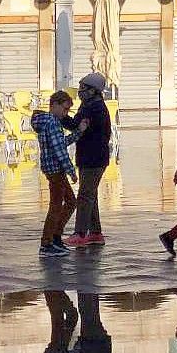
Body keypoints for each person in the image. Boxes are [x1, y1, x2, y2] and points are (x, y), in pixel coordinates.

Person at [32, 91, 88, 258]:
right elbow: (60, 150)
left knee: (70, 201)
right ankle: (47, 242)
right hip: (56, 169)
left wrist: (78, 132)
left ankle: (55, 237)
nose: (66, 114)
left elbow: (60, 143)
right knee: (57, 206)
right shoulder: (52, 123)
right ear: (54, 105)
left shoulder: (46, 122)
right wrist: (71, 171)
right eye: (64, 109)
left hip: (52, 168)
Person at [63, 73, 112, 248]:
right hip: (92, 156)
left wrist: (61, 115)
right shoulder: (92, 105)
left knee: (84, 196)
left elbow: (75, 126)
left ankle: (80, 233)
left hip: (93, 158)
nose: (80, 91)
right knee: (91, 195)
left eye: (83, 88)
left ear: (93, 90)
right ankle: (95, 233)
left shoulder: (93, 107)